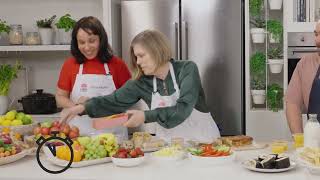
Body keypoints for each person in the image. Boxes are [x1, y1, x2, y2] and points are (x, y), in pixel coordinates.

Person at [60, 29, 220, 143]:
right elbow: (112, 101)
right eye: (136, 57)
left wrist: (144, 116)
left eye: (141, 56)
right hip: (169, 149)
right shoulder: (141, 82)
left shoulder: (186, 69)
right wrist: (81, 108)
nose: (137, 62)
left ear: (157, 50)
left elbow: (183, 109)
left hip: (205, 145)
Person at [56, 16, 131, 138]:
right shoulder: (70, 65)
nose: (86, 47)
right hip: (79, 134)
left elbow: (128, 99)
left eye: (92, 41)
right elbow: (60, 96)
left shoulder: (117, 65)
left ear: (101, 40)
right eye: (81, 42)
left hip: (113, 135)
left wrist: (89, 105)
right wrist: (77, 108)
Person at [286, 22, 320, 134]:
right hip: (314, 144)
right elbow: (292, 103)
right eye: (316, 34)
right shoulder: (305, 64)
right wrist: (300, 142)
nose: (317, 41)